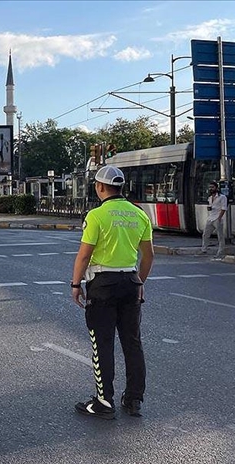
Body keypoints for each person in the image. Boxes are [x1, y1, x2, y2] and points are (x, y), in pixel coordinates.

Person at [70, 165, 154, 420]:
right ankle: (134, 399)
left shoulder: (96, 215)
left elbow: (84, 255)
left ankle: (104, 402)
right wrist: (139, 281)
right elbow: (149, 255)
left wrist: (75, 285)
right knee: (133, 343)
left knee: (102, 344)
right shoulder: (139, 215)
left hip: (103, 284)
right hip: (130, 281)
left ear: (100, 187)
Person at [200, 181, 227, 258]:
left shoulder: (222, 197)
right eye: (210, 187)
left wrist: (219, 217)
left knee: (220, 236)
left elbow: (224, 208)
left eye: (212, 187)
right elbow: (211, 207)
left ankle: (221, 251)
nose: (211, 189)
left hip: (217, 218)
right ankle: (204, 249)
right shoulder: (209, 198)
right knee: (205, 234)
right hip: (210, 218)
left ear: (216, 188)